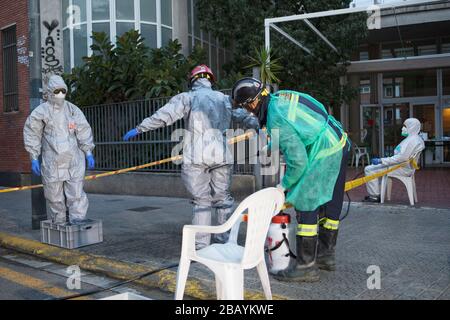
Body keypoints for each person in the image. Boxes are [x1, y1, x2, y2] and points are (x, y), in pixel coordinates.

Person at [123, 65, 258, 249]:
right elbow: (246, 117)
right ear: (211, 80)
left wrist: (140, 128)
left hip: (196, 156)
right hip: (220, 155)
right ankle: (225, 243)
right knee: (223, 199)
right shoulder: (224, 99)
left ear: (193, 80)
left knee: (201, 201)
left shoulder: (187, 98)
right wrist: (262, 123)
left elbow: (164, 116)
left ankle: (201, 247)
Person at [231, 78, 350, 282]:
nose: (249, 113)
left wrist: (282, 186)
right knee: (329, 207)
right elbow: (301, 123)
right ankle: (325, 257)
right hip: (340, 141)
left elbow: (298, 164)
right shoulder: (281, 97)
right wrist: (270, 146)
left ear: (252, 104)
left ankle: (306, 266)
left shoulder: (275, 117)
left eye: (247, 109)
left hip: (325, 152)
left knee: (305, 202)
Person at [23, 75, 95, 224]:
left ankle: (78, 220)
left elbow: (83, 130)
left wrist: (88, 152)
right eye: (57, 91)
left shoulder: (72, 109)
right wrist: (34, 156)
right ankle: (59, 221)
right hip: (53, 160)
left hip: (74, 159)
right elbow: (32, 133)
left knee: (76, 192)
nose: (60, 95)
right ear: (49, 92)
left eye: (63, 91)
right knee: (54, 195)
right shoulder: (41, 111)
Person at [363, 118, 425, 203]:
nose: (402, 128)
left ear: (412, 127)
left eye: (405, 126)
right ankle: (377, 193)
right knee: (376, 169)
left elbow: (401, 158)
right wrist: (385, 160)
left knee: (369, 169)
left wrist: (381, 160)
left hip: (401, 168)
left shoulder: (412, 141)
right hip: (403, 166)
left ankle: (374, 196)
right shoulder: (414, 139)